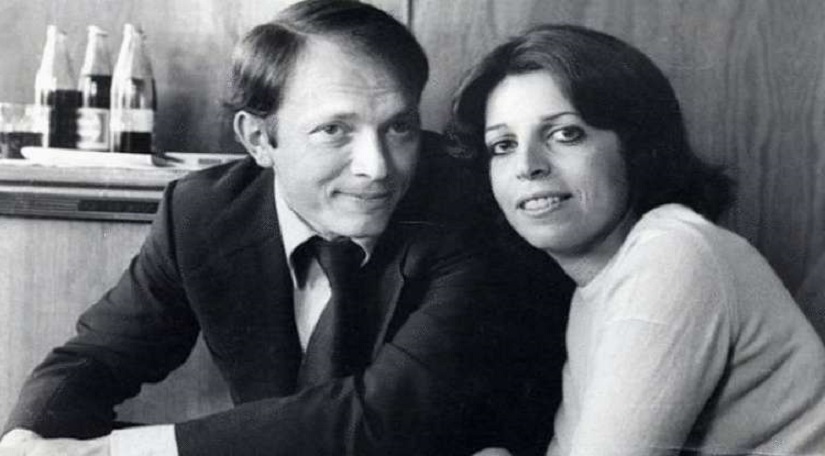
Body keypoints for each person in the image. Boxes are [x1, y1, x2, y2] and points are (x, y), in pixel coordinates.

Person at [0, 2, 528, 455]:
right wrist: (26, 440)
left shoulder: (467, 204)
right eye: (334, 130)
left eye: (399, 126)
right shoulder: (201, 214)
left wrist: (114, 451)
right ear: (258, 139)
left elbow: (385, 414)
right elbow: (95, 359)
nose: (377, 167)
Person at [451, 24, 825, 456]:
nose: (527, 166)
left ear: (635, 147)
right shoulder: (599, 288)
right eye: (503, 145)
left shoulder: (671, 253)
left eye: (565, 134)